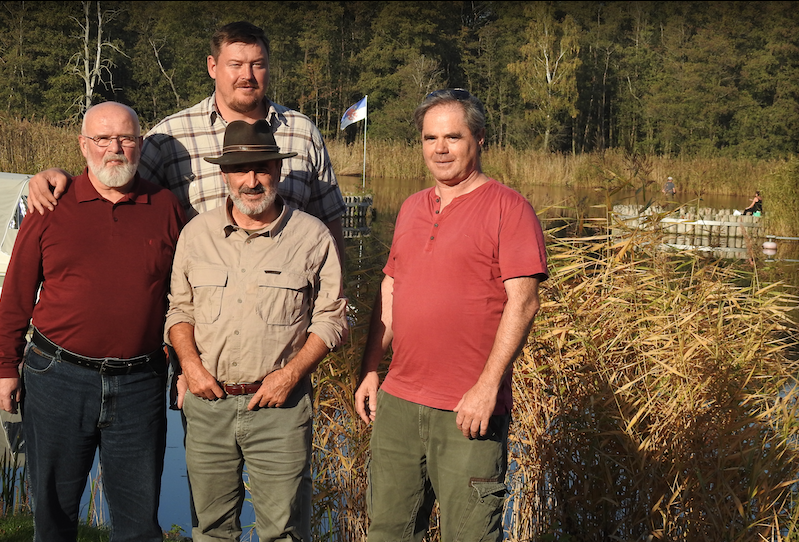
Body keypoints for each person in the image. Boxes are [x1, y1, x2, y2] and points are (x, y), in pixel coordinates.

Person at [354, 89, 548, 541]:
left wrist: (487, 387)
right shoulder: (411, 208)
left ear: (478, 139)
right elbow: (391, 290)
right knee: (388, 531)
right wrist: (369, 369)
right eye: (430, 138)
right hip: (399, 403)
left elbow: (524, 303)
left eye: (453, 137)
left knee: (470, 535)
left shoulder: (509, 209)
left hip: (468, 410)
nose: (440, 148)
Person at [0, 102, 185, 542]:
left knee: (139, 523)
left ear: (140, 145)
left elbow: (185, 299)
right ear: (84, 146)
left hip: (140, 384)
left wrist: (182, 364)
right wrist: (5, 366)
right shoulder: (50, 205)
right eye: (103, 139)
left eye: (125, 139)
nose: (115, 149)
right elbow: (17, 293)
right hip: (57, 378)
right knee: (54, 516)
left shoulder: (166, 208)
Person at [26, 20, 346, 262]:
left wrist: (334, 297)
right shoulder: (171, 136)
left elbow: (329, 225)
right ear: (212, 66)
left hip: (286, 317)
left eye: (257, 64)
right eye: (235, 64)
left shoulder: (302, 133)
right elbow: (114, 189)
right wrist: (60, 179)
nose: (246, 75)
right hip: (199, 322)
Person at [165, 119, 347, 541]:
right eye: (241, 170)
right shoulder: (196, 235)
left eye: (263, 168)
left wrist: (290, 375)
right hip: (208, 405)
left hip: (280, 408)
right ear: (224, 174)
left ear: (278, 171)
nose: (252, 181)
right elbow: (179, 310)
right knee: (211, 529)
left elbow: (333, 316)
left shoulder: (312, 236)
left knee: (283, 531)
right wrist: (189, 366)